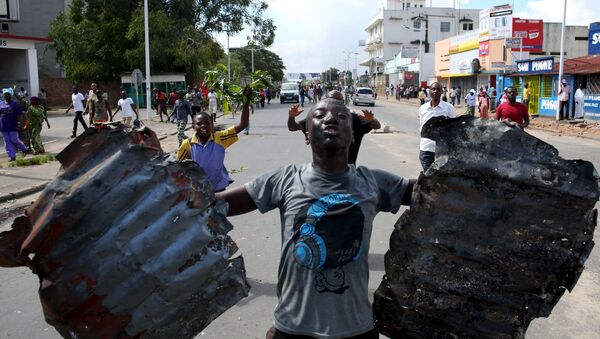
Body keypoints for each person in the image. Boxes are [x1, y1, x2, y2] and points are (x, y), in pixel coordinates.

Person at [215, 97, 415, 339]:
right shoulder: (284, 180)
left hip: (357, 329)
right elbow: (214, 204)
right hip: (292, 329)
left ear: (352, 136)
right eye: (320, 115)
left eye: (342, 116)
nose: (330, 118)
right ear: (307, 135)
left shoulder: (373, 182)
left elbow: (436, 192)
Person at [176, 87, 252, 192]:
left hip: (218, 187)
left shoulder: (220, 137)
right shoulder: (187, 144)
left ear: (212, 125)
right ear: (193, 126)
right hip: (197, 190)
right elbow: (178, 168)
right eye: (199, 123)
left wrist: (246, 102)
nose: (203, 126)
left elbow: (243, 125)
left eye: (207, 123)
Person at [288, 90, 381, 165]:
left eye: (336, 102)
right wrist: (291, 117)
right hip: (321, 172)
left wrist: (371, 119)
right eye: (330, 101)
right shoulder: (318, 118)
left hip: (348, 173)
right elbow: (294, 127)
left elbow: (377, 126)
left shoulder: (354, 118)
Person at [418, 82, 455, 172]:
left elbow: (453, 128)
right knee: (428, 175)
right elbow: (422, 127)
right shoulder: (422, 108)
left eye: (438, 89)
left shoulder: (449, 108)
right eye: (433, 89)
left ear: (442, 91)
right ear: (429, 91)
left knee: (440, 177)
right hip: (426, 148)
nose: (435, 91)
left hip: (442, 150)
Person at [1, 88, 28, 161]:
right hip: (4, 127)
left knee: (14, 139)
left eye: (8, 94)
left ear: (11, 95)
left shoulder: (15, 104)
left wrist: (19, 124)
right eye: (5, 94)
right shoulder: (1, 104)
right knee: (7, 142)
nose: (6, 96)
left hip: (13, 126)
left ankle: (24, 149)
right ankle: (12, 156)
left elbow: (19, 115)